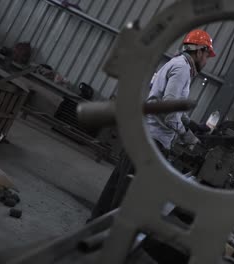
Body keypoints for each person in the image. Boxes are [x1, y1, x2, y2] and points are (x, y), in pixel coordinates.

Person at [89, 29, 216, 220]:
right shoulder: (182, 69)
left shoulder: (177, 65)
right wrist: (187, 136)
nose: (206, 60)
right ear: (199, 51)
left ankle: (93, 226)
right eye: (207, 55)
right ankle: (105, 238)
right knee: (126, 197)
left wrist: (192, 124)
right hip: (152, 142)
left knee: (117, 187)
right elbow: (167, 109)